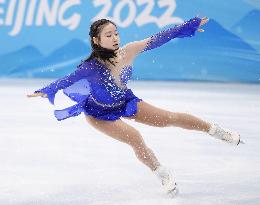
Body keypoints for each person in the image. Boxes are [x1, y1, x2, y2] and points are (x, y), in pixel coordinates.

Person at [27, 16, 242, 197]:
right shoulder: (91, 67)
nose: (114, 38)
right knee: (135, 138)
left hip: (125, 102)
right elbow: (67, 79)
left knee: (169, 118)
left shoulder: (129, 51)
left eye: (116, 33)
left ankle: (215, 130)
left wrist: (185, 27)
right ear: (96, 40)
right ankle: (161, 172)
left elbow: (157, 39)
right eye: (108, 35)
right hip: (99, 113)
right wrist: (47, 89)